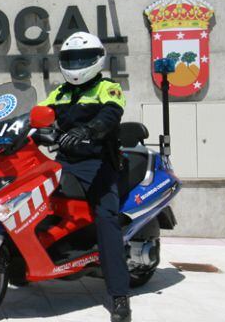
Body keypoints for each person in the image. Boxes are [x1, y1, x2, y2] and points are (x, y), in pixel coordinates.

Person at [38, 31, 131, 322]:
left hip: (98, 163)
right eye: (71, 59)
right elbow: (36, 114)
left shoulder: (108, 87)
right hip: (65, 161)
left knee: (106, 219)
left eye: (83, 58)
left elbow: (111, 115)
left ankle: (119, 296)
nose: (77, 64)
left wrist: (89, 130)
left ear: (97, 59)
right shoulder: (60, 92)